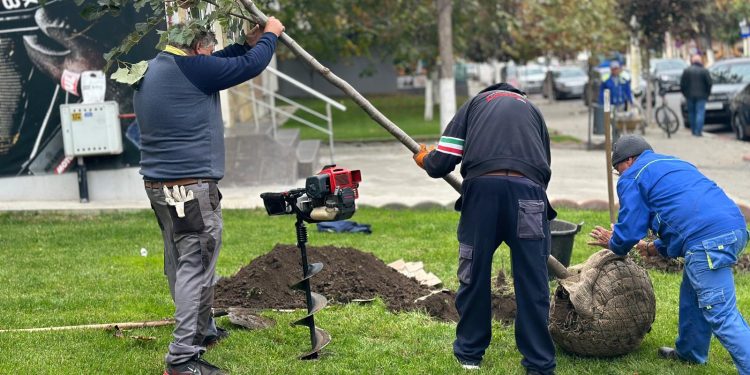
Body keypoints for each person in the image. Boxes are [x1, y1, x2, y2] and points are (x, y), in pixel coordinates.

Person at [133, 17, 285, 375]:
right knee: (195, 268)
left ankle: (202, 331)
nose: (214, 54)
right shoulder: (194, 69)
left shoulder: (158, 67)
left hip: (160, 186)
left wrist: (247, 42)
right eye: (211, 48)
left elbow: (219, 65)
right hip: (190, 188)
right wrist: (270, 36)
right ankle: (182, 358)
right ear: (198, 49)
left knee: (179, 261)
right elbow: (249, 66)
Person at [414, 83, 557, 375]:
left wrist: (424, 159)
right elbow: (544, 168)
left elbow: (442, 162)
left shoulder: (474, 104)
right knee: (533, 280)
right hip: (528, 195)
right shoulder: (534, 111)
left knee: (474, 273)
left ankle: (470, 355)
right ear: (520, 95)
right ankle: (540, 364)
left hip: (483, 195)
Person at [588, 135, 749, 374]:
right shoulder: (673, 164)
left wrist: (615, 243)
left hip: (708, 238)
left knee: (721, 312)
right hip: (734, 227)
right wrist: (653, 248)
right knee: (692, 290)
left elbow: (630, 227)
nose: (619, 175)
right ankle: (690, 353)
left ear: (629, 160)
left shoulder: (633, 175)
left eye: (618, 168)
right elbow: (684, 216)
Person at [680, 54, 712, 136]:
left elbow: (682, 84)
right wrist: (707, 93)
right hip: (702, 95)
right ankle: (698, 131)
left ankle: (693, 131)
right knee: (700, 112)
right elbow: (709, 83)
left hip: (689, 95)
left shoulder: (687, 71)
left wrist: (685, 93)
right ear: (700, 61)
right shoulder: (704, 70)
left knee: (692, 113)